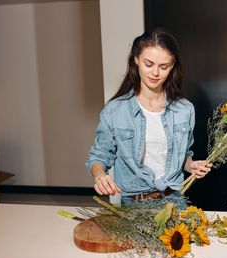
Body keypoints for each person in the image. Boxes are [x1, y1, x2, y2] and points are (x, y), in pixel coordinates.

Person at [86, 28, 212, 204]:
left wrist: (191, 166)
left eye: (164, 66)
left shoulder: (185, 109)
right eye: (149, 64)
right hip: (134, 204)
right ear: (136, 59)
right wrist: (100, 176)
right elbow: (99, 157)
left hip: (174, 200)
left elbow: (183, 155)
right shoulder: (115, 110)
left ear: (173, 65)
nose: (155, 73)